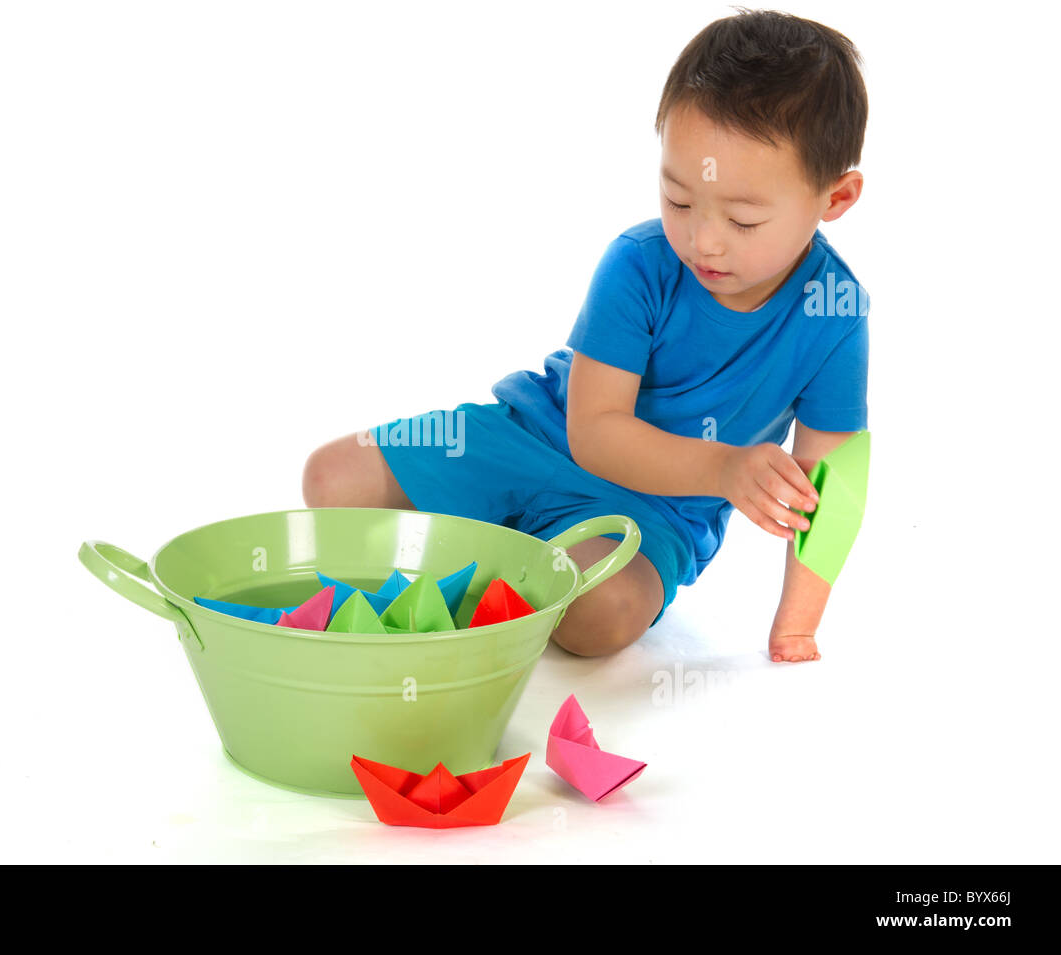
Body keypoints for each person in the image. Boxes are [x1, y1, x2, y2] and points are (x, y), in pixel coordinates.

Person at [302, 9, 869, 664]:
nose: (702, 240)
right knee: (331, 478)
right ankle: (499, 565)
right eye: (679, 200)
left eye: (742, 220)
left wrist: (795, 627)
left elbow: (832, 487)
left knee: (598, 616)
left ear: (836, 198)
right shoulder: (638, 263)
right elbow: (594, 432)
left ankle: (493, 566)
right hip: (536, 436)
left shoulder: (836, 312)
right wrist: (724, 466)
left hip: (655, 514)